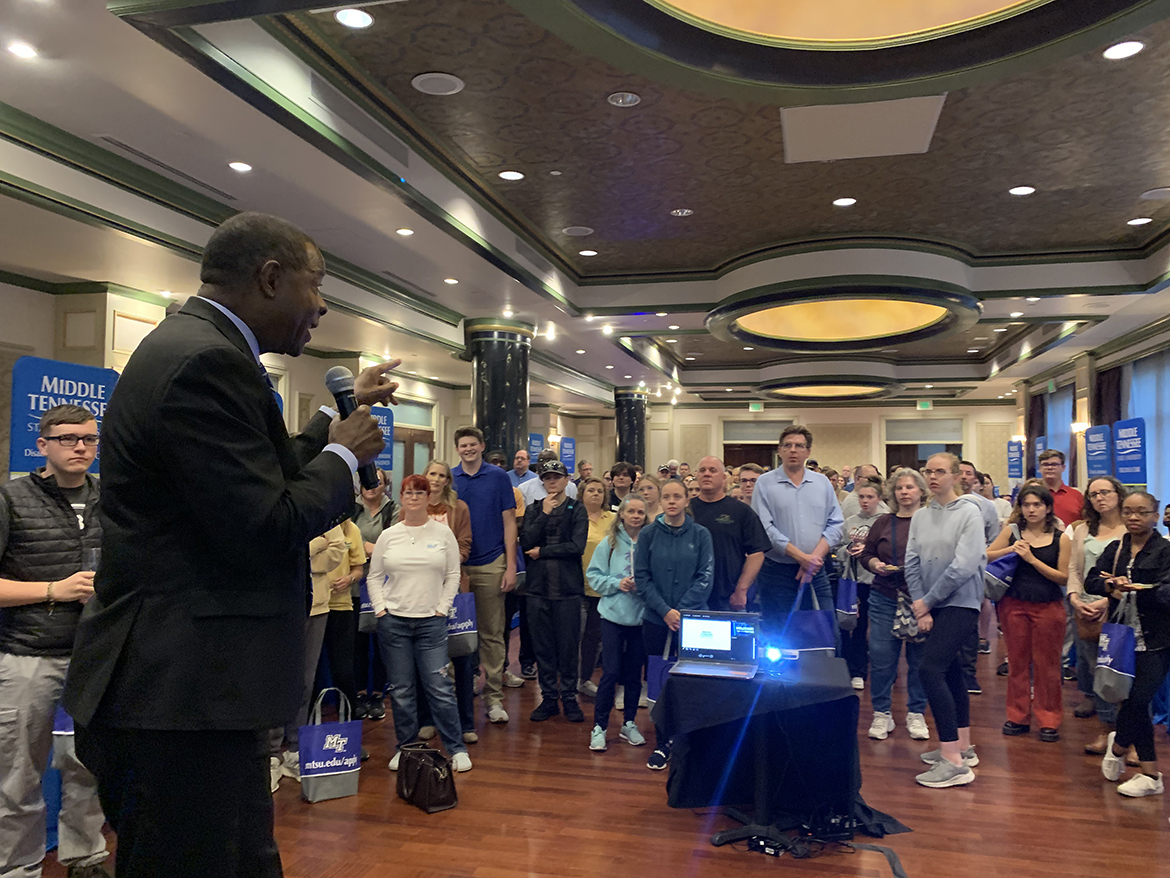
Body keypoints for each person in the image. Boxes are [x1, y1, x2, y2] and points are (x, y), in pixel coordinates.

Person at [63, 212, 393, 877]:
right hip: (181, 694)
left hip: (200, 690)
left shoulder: (199, 348)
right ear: (271, 279)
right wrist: (339, 455)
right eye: (316, 285)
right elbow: (264, 523)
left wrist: (329, 421)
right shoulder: (204, 363)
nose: (322, 307)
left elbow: (249, 485)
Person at [0, 404, 111, 878]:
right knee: (18, 776)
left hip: (94, 659)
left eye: (88, 438)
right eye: (67, 439)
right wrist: (53, 590)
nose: (80, 447)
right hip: (27, 658)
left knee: (88, 769)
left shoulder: (111, 500)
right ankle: (18, 867)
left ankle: (84, 857)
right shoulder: (11, 500)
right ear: (42, 445)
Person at [371, 476, 471, 773]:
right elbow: (375, 577)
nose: (414, 498)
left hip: (432, 623)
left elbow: (453, 574)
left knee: (439, 686)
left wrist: (443, 607)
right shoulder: (389, 535)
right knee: (401, 689)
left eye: (419, 493)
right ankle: (406, 747)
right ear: (401, 497)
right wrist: (380, 609)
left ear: (429, 499)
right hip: (394, 623)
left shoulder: (443, 534)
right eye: (408, 493)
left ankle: (457, 748)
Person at [905, 453, 986, 788]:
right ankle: (963, 747)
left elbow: (964, 566)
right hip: (930, 603)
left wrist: (928, 600)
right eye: (929, 471)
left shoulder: (970, 512)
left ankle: (952, 760)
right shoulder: (922, 515)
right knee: (951, 671)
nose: (933, 476)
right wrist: (919, 602)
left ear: (956, 476)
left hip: (961, 603)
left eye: (940, 471)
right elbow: (911, 560)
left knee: (929, 669)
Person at [1087, 491, 1170, 797]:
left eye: (1142, 512)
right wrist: (1109, 584)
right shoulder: (1117, 547)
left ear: (1156, 515)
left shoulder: (1164, 551)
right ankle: (1150, 775)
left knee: (1138, 701)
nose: (1134, 517)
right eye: (1129, 512)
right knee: (1126, 700)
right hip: (1121, 638)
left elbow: (1167, 594)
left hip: (1157, 639)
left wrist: (1136, 590)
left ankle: (1120, 745)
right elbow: (1091, 580)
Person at [635, 479, 714, 770]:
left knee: (691, 681)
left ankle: (690, 740)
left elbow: (706, 576)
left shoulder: (701, 534)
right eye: (666, 496)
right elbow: (642, 578)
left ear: (685, 501)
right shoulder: (648, 534)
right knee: (660, 681)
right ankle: (663, 742)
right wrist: (665, 611)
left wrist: (681, 611)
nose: (671, 501)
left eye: (677, 496)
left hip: (693, 621)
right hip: (656, 621)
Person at [987, 484, 1071, 742]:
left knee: (1048, 666)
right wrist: (1012, 550)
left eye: (1037, 505)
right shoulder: (1012, 531)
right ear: (1020, 508)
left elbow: (1063, 576)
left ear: (1047, 508)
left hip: (1048, 606)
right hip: (1014, 604)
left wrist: (1032, 559)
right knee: (1017, 662)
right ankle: (1017, 715)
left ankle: (1049, 719)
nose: (1032, 510)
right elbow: (987, 555)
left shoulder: (1061, 537)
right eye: (1027, 505)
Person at [270, 521, 347, 791]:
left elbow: (339, 551)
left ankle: (295, 749)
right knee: (275, 680)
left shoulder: (321, 511)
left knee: (305, 680)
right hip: (280, 607)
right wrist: (315, 545)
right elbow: (276, 554)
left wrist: (304, 557)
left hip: (317, 607)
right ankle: (270, 755)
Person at [451, 426, 518, 724]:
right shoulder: (450, 478)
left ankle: (493, 698)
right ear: (457, 449)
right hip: (457, 567)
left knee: (492, 634)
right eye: (463, 445)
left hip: (492, 562)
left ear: (482, 445)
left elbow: (509, 522)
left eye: (472, 444)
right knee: (457, 633)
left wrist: (511, 565)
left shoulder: (499, 477)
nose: (468, 449)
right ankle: (456, 695)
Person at [750, 426, 844, 637]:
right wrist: (802, 557)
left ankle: (823, 671)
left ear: (808, 452)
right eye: (788, 445)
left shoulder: (822, 484)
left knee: (826, 634)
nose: (793, 450)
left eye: (799, 446)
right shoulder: (765, 483)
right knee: (780, 636)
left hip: (817, 571)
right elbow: (764, 528)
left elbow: (836, 524)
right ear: (779, 451)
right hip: (777, 573)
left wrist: (812, 561)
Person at [858, 468, 930, 742]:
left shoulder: (931, 521)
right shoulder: (883, 522)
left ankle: (916, 713)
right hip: (884, 595)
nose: (904, 492)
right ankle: (881, 713)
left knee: (918, 659)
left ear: (921, 491)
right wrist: (875, 564)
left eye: (910, 487)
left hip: (921, 598)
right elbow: (866, 553)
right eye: (900, 488)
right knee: (881, 658)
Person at [411, 460, 477, 745]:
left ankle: (465, 722)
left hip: (453, 589)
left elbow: (465, 545)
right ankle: (427, 719)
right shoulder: (411, 507)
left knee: (462, 658)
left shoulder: (459, 508)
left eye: (442, 475)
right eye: (432, 474)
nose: (436, 479)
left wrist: (445, 562)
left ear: (448, 480)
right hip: (418, 591)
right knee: (423, 660)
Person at [521, 460, 589, 723]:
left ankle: (569, 697)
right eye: (547, 477)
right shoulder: (534, 509)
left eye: (556, 477)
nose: (551, 481)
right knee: (543, 647)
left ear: (566, 480)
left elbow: (577, 546)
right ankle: (549, 697)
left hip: (568, 589)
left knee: (569, 647)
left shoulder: (577, 509)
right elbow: (526, 542)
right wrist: (546, 514)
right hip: (538, 590)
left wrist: (543, 552)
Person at [1067, 476, 1129, 755]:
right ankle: (1106, 730)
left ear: (1118, 494)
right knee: (1097, 673)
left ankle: (1132, 738)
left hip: (1120, 610)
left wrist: (1107, 600)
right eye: (1093, 494)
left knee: (1125, 675)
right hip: (1085, 610)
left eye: (1105, 492)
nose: (1100, 498)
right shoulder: (1082, 530)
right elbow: (1073, 569)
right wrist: (1074, 598)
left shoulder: (1131, 529)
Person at [586, 496, 648, 751]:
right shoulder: (609, 543)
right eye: (631, 511)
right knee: (610, 672)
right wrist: (616, 584)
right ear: (621, 514)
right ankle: (599, 726)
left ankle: (629, 723)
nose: (635, 516)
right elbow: (593, 575)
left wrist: (642, 586)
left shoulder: (650, 543)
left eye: (640, 512)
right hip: (612, 615)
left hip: (641, 617)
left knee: (634, 675)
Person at [689, 456, 769, 613]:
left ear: (724, 478)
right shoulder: (686, 510)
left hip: (728, 597)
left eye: (713, 470)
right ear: (697, 476)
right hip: (690, 597)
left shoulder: (741, 511)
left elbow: (757, 553)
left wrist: (741, 590)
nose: (707, 474)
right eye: (702, 470)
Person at [351, 468, 397, 721]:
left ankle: (378, 695)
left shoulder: (394, 510)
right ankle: (358, 696)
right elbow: (343, 541)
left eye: (377, 482)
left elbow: (395, 545)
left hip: (385, 584)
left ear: (384, 485)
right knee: (357, 644)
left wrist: (364, 547)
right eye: (367, 482)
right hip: (353, 584)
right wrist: (369, 548)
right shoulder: (350, 509)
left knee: (381, 643)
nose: (371, 486)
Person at [836, 475, 885, 690]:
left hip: (874, 581)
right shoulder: (850, 522)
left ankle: (862, 670)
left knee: (866, 627)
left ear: (878, 499)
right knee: (847, 624)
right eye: (861, 497)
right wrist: (848, 550)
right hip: (851, 580)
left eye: (870, 497)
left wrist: (868, 552)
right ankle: (848, 667)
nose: (865, 501)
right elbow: (836, 548)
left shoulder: (885, 521)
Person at [319, 515, 366, 732]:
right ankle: (304, 734)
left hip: (341, 607)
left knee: (343, 671)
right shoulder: (313, 523)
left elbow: (358, 568)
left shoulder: (351, 529)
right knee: (308, 676)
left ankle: (349, 730)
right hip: (312, 608)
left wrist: (350, 579)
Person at [579, 477, 614, 698]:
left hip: (602, 587)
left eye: (599, 491)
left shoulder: (612, 518)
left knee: (593, 637)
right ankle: (568, 679)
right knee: (574, 636)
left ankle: (585, 679)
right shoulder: (575, 516)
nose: (595, 494)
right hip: (575, 584)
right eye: (590, 490)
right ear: (582, 493)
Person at [1037, 449, 1084, 527]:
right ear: (1040, 468)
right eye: (1045, 464)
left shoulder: (1077, 496)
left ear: (1063, 467)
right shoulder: (1032, 495)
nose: (1049, 467)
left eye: (1054, 464)